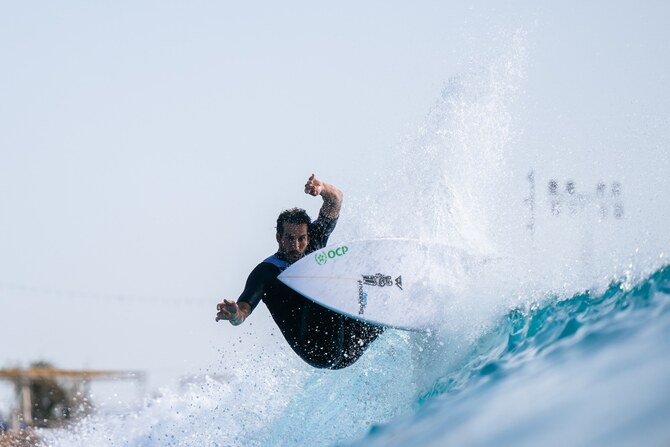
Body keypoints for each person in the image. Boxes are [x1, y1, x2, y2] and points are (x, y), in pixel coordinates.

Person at [216, 174, 384, 369]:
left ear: (308, 237)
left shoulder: (315, 243)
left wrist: (322, 188)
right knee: (323, 275)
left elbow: (335, 199)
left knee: (380, 316)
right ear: (279, 237)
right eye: (289, 238)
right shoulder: (266, 273)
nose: (296, 246)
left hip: (348, 345)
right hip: (317, 351)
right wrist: (235, 314)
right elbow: (243, 311)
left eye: (301, 239)